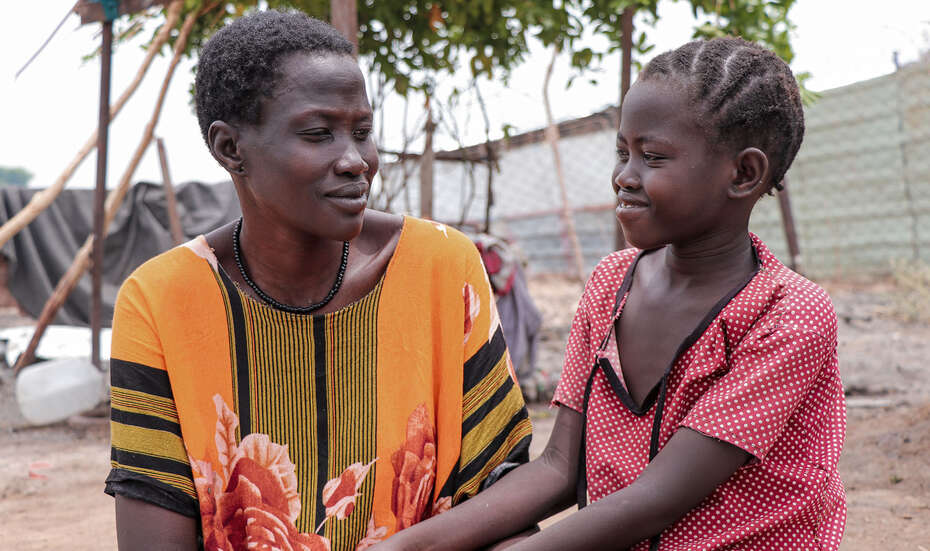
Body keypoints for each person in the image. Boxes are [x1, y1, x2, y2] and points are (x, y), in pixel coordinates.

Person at [372, 36, 847, 551]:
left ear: (744, 173)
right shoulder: (611, 284)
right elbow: (559, 467)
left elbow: (655, 499)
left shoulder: (786, 313)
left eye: (653, 157)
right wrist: (407, 545)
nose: (624, 176)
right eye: (623, 152)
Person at [104, 10, 531, 551]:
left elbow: (502, 494)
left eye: (362, 132)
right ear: (230, 148)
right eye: (317, 134)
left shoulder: (441, 266)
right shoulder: (160, 300)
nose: (356, 161)